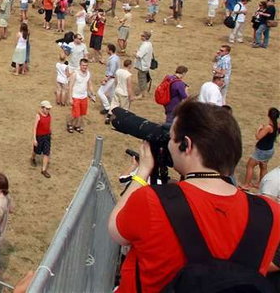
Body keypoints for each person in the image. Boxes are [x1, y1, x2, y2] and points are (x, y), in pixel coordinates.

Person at [108, 99, 280, 292]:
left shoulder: (152, 201)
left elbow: (116, 230)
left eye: (172, 139)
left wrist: (142, 172)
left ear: (186, 145)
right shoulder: (269, 212)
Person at [243, 108, 279, 189]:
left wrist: (259, 129)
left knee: (249, 166)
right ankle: (261, 184)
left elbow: (258, 136)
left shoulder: (268, 127)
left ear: (269, 115)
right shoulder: (278, 125)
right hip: (269, 150)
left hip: (262, 151)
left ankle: (246, 185)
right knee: (263, 167)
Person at [67, 59, 95, 134]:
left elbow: (90, 84)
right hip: (75, 96)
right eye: (83, 65)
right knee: (75, 113)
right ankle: (69, 124)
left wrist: (92, 93)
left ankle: (77, 125)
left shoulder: (88, 74)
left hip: (84, 96)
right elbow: (70, 86)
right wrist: (70, 98)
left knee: (82, 113)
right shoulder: (75, 74)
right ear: (80, 65)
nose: (84, 67)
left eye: (86, 65)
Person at [31, 100, 52, 178]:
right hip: (39, 137)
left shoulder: (49, 115)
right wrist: (34, 139)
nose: (48, 110)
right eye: (47, 108)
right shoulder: (38, 116)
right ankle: (32, 158)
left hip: (47, 136)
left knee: (47, 153)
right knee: (36, 150)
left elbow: (48, 125)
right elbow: (35, 128)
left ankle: (44, 170)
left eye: (49, 109)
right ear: (42, 108)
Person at [133, 31, 154, 99]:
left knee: (142, 79)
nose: (141, 37)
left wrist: (135, 53)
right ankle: (143, 92)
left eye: (142, 36)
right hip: (146, 64)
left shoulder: (145, 45)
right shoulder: (149, 44)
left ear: (145, 37)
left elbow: (139, 56)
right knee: (143, 78)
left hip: (143, 65)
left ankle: (142, 95)